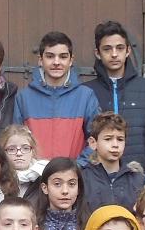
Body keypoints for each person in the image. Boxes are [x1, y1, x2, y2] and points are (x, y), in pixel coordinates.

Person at [84, 21, 145, 170]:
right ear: (97, 53)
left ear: (128, 51)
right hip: (96, 176)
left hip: (137, 174)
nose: (114, 54)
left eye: (119, 48)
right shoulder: (86, 91)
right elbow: (81, 136)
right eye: (107, 49)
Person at [12, 31, 102, 161]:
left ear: (71, 61)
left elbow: (97, 139)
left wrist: (78, 167)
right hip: (34, 178)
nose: (56, 62)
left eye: (63, 57)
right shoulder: (23, 98)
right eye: (50, 56)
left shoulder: (86, 96)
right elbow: (16, 142)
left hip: (74, 178)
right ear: (40, 60)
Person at [79, 113, 143, 216]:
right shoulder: (82, 178)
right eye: (108, 139)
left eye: (120, 139)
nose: (115, 145)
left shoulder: (136, 179)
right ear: (93, 143)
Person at [29, 157, 87, 230]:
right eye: (57, 184)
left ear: (78, 188)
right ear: (45, 188)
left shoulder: (88, 224)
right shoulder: (33, 225)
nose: (65, 191)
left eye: (71, 184)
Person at [0, 125, 47, 194]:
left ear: (32, 151)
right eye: (12, 149)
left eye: (25, 148)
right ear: (3, 152)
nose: (19, 153)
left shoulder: (44, 173)